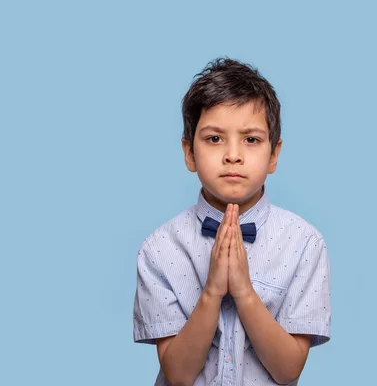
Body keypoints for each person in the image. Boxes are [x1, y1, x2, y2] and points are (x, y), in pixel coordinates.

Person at [133, 57, 331, 386]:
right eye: (214, 139)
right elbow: (178, 375)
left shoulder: (304, 244)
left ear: (274, 155)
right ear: (189, 153)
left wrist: (244, 292)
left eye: (251, 139)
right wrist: (211, 292)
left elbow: (289, 370)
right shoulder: (160, 249)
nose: (233, 155)